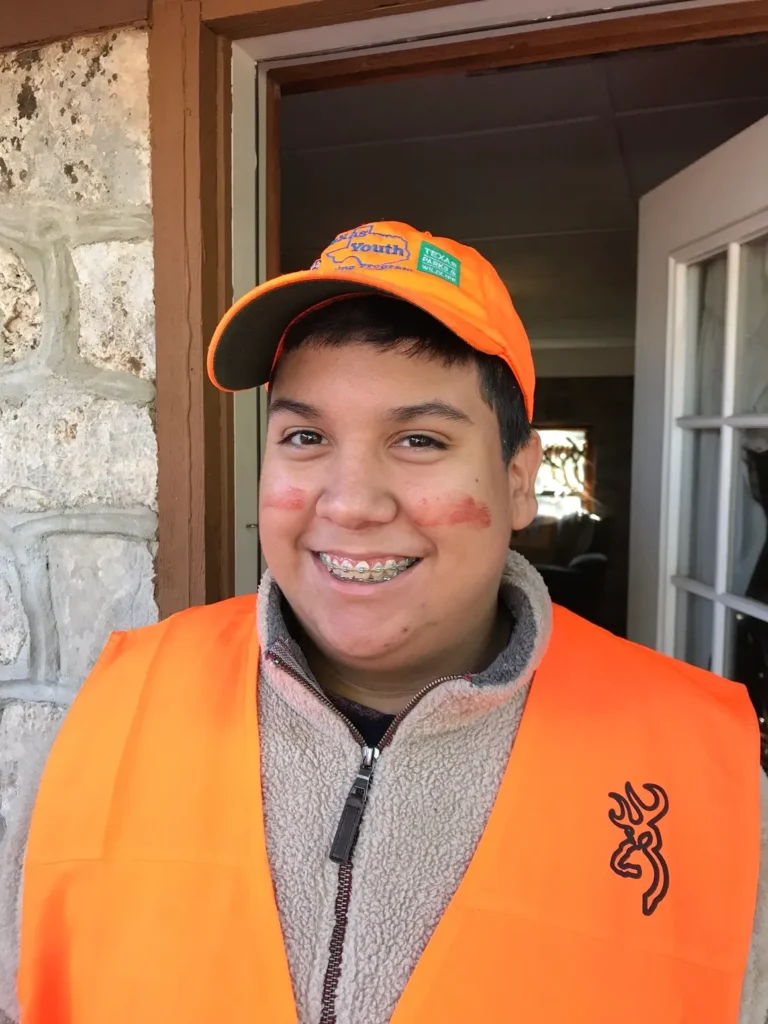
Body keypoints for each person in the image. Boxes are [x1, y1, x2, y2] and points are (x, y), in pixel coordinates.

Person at [1, 221, 766, 1024]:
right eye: (305, 436)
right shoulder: (110, 716)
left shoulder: (706, 774)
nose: (351, 502)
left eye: (419, 439)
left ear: (517, 480)